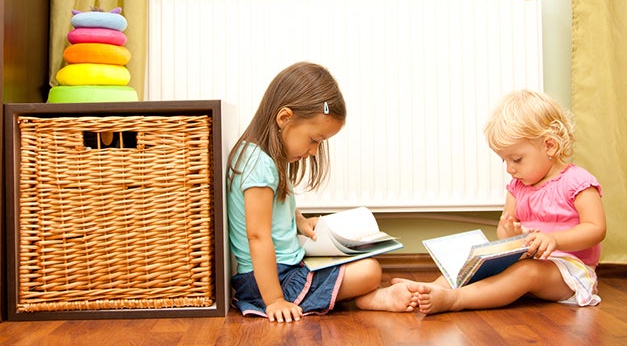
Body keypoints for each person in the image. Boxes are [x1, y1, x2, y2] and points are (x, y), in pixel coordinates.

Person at [226, 61, 420, 323]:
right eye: (314, 139)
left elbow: (271, 210)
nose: (314, 151)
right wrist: (274, 300)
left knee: (363, 266)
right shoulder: (259, 165)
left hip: (282, 268)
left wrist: (299, 221)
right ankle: (368, 297)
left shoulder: (263, 158)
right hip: (271, 280)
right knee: (369, 271)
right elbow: (257, 235)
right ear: (284, 118)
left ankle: (365, 297)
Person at [393, 89, 606, 315]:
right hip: (528, 261)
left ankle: (456, 299)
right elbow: (505, 235)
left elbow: (596, 229)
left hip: (569, 269)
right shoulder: (517, 187)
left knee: (527, 271)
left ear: (550, 146)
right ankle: (431, 289)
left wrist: (554, 239)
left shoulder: (577, 181)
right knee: (473, 259)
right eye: (504, 160)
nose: (509, 169)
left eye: (516, 159)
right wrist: (509, 236)